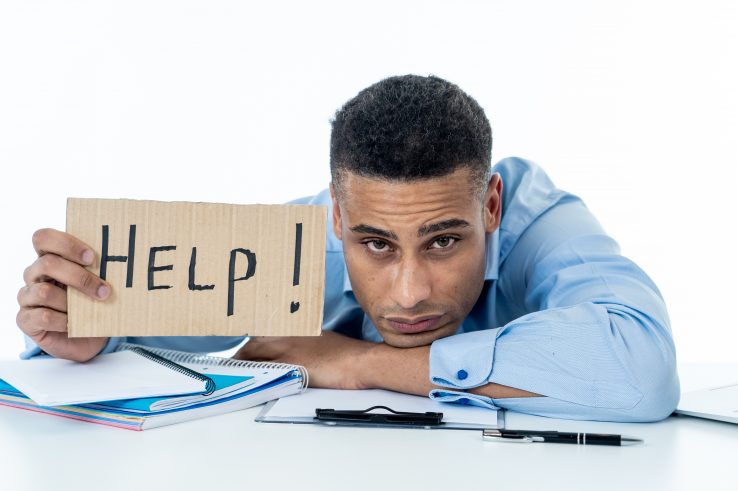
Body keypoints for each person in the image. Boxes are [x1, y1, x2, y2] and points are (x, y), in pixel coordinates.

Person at [16, 75, 680, 422]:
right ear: (336, 217)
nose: (411, 289)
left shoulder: (541, 222)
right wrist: (88, 331)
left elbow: (641, 368)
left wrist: (358, 363)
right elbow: (128, 333)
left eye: (445, 239)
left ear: (492, 205)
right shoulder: (290, 252)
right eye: (376, 244)